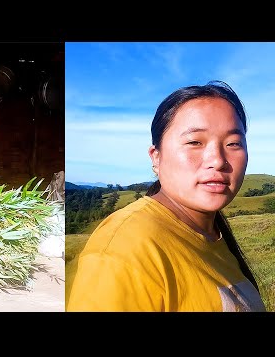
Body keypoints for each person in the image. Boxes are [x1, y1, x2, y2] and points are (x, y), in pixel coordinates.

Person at [67, 80, 266, 312]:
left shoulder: (213, 235)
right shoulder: (124, 250)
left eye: (233, 143)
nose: (218, 160)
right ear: (156, 158)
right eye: (194, 142)